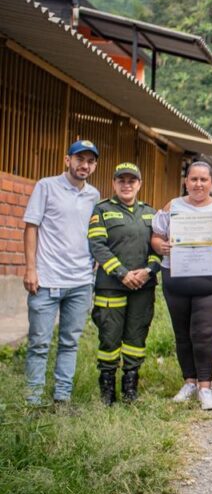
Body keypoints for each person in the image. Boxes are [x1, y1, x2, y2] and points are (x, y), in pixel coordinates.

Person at [22, 140, 101, 405]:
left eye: (90, 161)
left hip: (80, 282)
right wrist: (31, 269)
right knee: (39, 344)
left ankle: (62, 398)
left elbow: (93, 232)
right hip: (46, 280)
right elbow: (31, 227)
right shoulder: (46, 186)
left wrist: (95, 262)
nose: (85, 165)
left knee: (70, 343)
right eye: (80, 159)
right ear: (67, 160)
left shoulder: (93, 195)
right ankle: (32, 401)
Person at [151, 161, 212, 411]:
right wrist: (159, 246)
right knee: (182, 333)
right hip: (176, 277)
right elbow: (156, 235)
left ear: (211, 183)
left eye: (203, 180)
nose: (198, 184)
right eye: (193, 179)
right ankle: (189, 382)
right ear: (186, 181)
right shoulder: (172, 206)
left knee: (205, 333)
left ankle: (206, 387)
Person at [88, 162, 161, 405]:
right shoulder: (102, 210)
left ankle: (130, 387)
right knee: (109, 338)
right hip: (111, 286)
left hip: (143, 287)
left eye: (132, 180)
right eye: (122, 180)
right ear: (114, 183)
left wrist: (149, 271)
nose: (127, 185)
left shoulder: (151, 213)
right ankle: (107, 390)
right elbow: (97, 245)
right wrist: (122, 273)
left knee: (136, 337)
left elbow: (158, 247)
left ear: (139, 184)